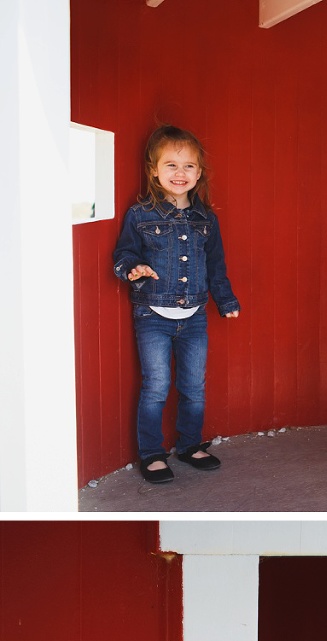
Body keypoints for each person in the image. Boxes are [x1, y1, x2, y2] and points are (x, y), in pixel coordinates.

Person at [113, 125, 239, 484]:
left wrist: (225, 299)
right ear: (154, 170)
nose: (180, 174)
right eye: (171, 165)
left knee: (193, 386)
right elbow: (124, 253)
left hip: (195, 315)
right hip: (152, 314)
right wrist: (132, 269)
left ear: (199, 173)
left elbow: (216, 265)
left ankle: (189, 445)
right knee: (156, 385)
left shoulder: (206, 219)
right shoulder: (140, 215)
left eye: (188, 167)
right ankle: (152, 453)